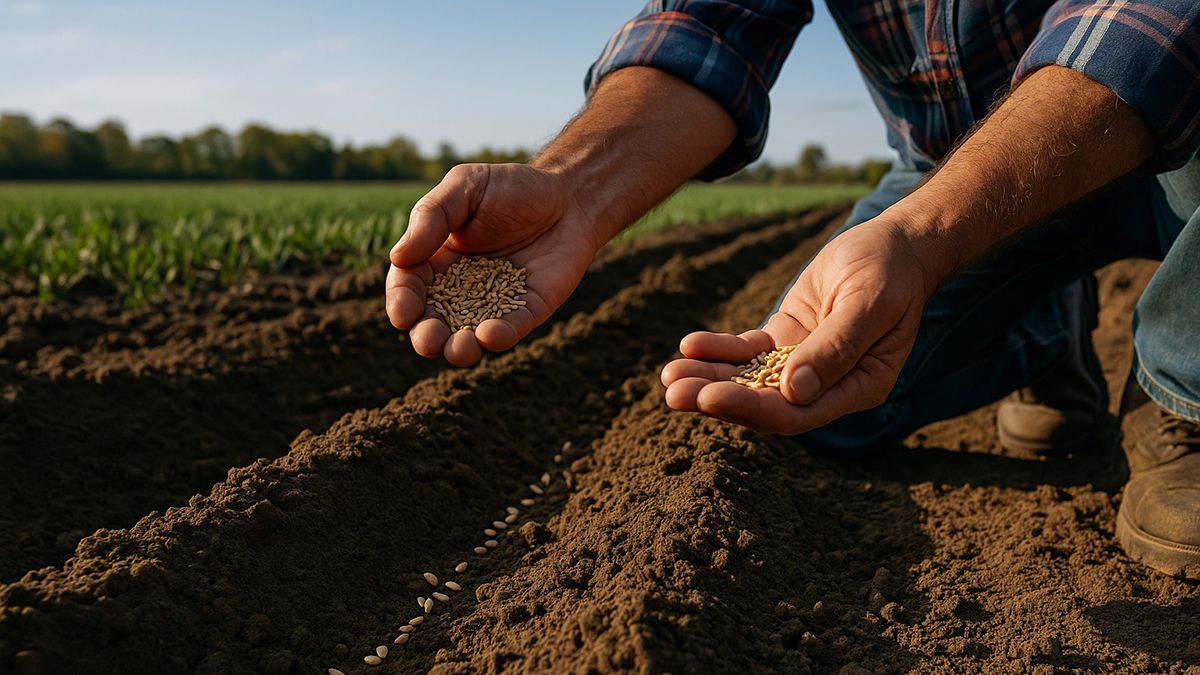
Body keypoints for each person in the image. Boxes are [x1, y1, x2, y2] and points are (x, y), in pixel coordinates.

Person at [385, 1, 1200, 578]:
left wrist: (921, 241)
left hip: (1180, 131)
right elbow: (711, 23)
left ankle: (1185, 384)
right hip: (953, 169)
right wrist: (574, 186)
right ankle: (1043, 324)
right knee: (825, 405)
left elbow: (1152, 26)